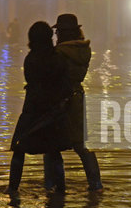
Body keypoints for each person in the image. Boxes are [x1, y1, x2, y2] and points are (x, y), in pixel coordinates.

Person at [6, 21, 72, 194]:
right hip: (54, 113)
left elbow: (32, 83)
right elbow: (65, 85)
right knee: (54, 150)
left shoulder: (31, 59)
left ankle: (13, 188)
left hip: (33, 112)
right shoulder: (58, 59)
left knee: (19, 148)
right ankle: (61, 190)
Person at [44, 13, 103, 192]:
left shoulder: (59, 53)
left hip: (60, 100)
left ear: (62, 33)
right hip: (77, 98)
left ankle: (54, 186)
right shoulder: (84, 50)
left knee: (52, 146)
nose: (55, 36)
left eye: (57, 33)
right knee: (81, 144)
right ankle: (96, 184)